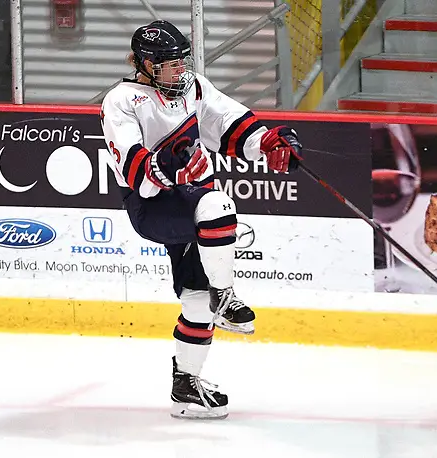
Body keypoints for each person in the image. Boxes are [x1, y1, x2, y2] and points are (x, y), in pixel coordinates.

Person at [100, 19, 302, 420]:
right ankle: (224, 295)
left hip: (192, 199)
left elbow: (230, 124)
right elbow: (136, 173)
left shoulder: (193, 88)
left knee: (195, 298)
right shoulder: (121, 100)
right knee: (218, 206)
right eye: (170, 64)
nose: (180, 70)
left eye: (182, 61)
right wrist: (166, 164)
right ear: (146, 64)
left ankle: (186, 387)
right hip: (154, 205)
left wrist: (272, 144)